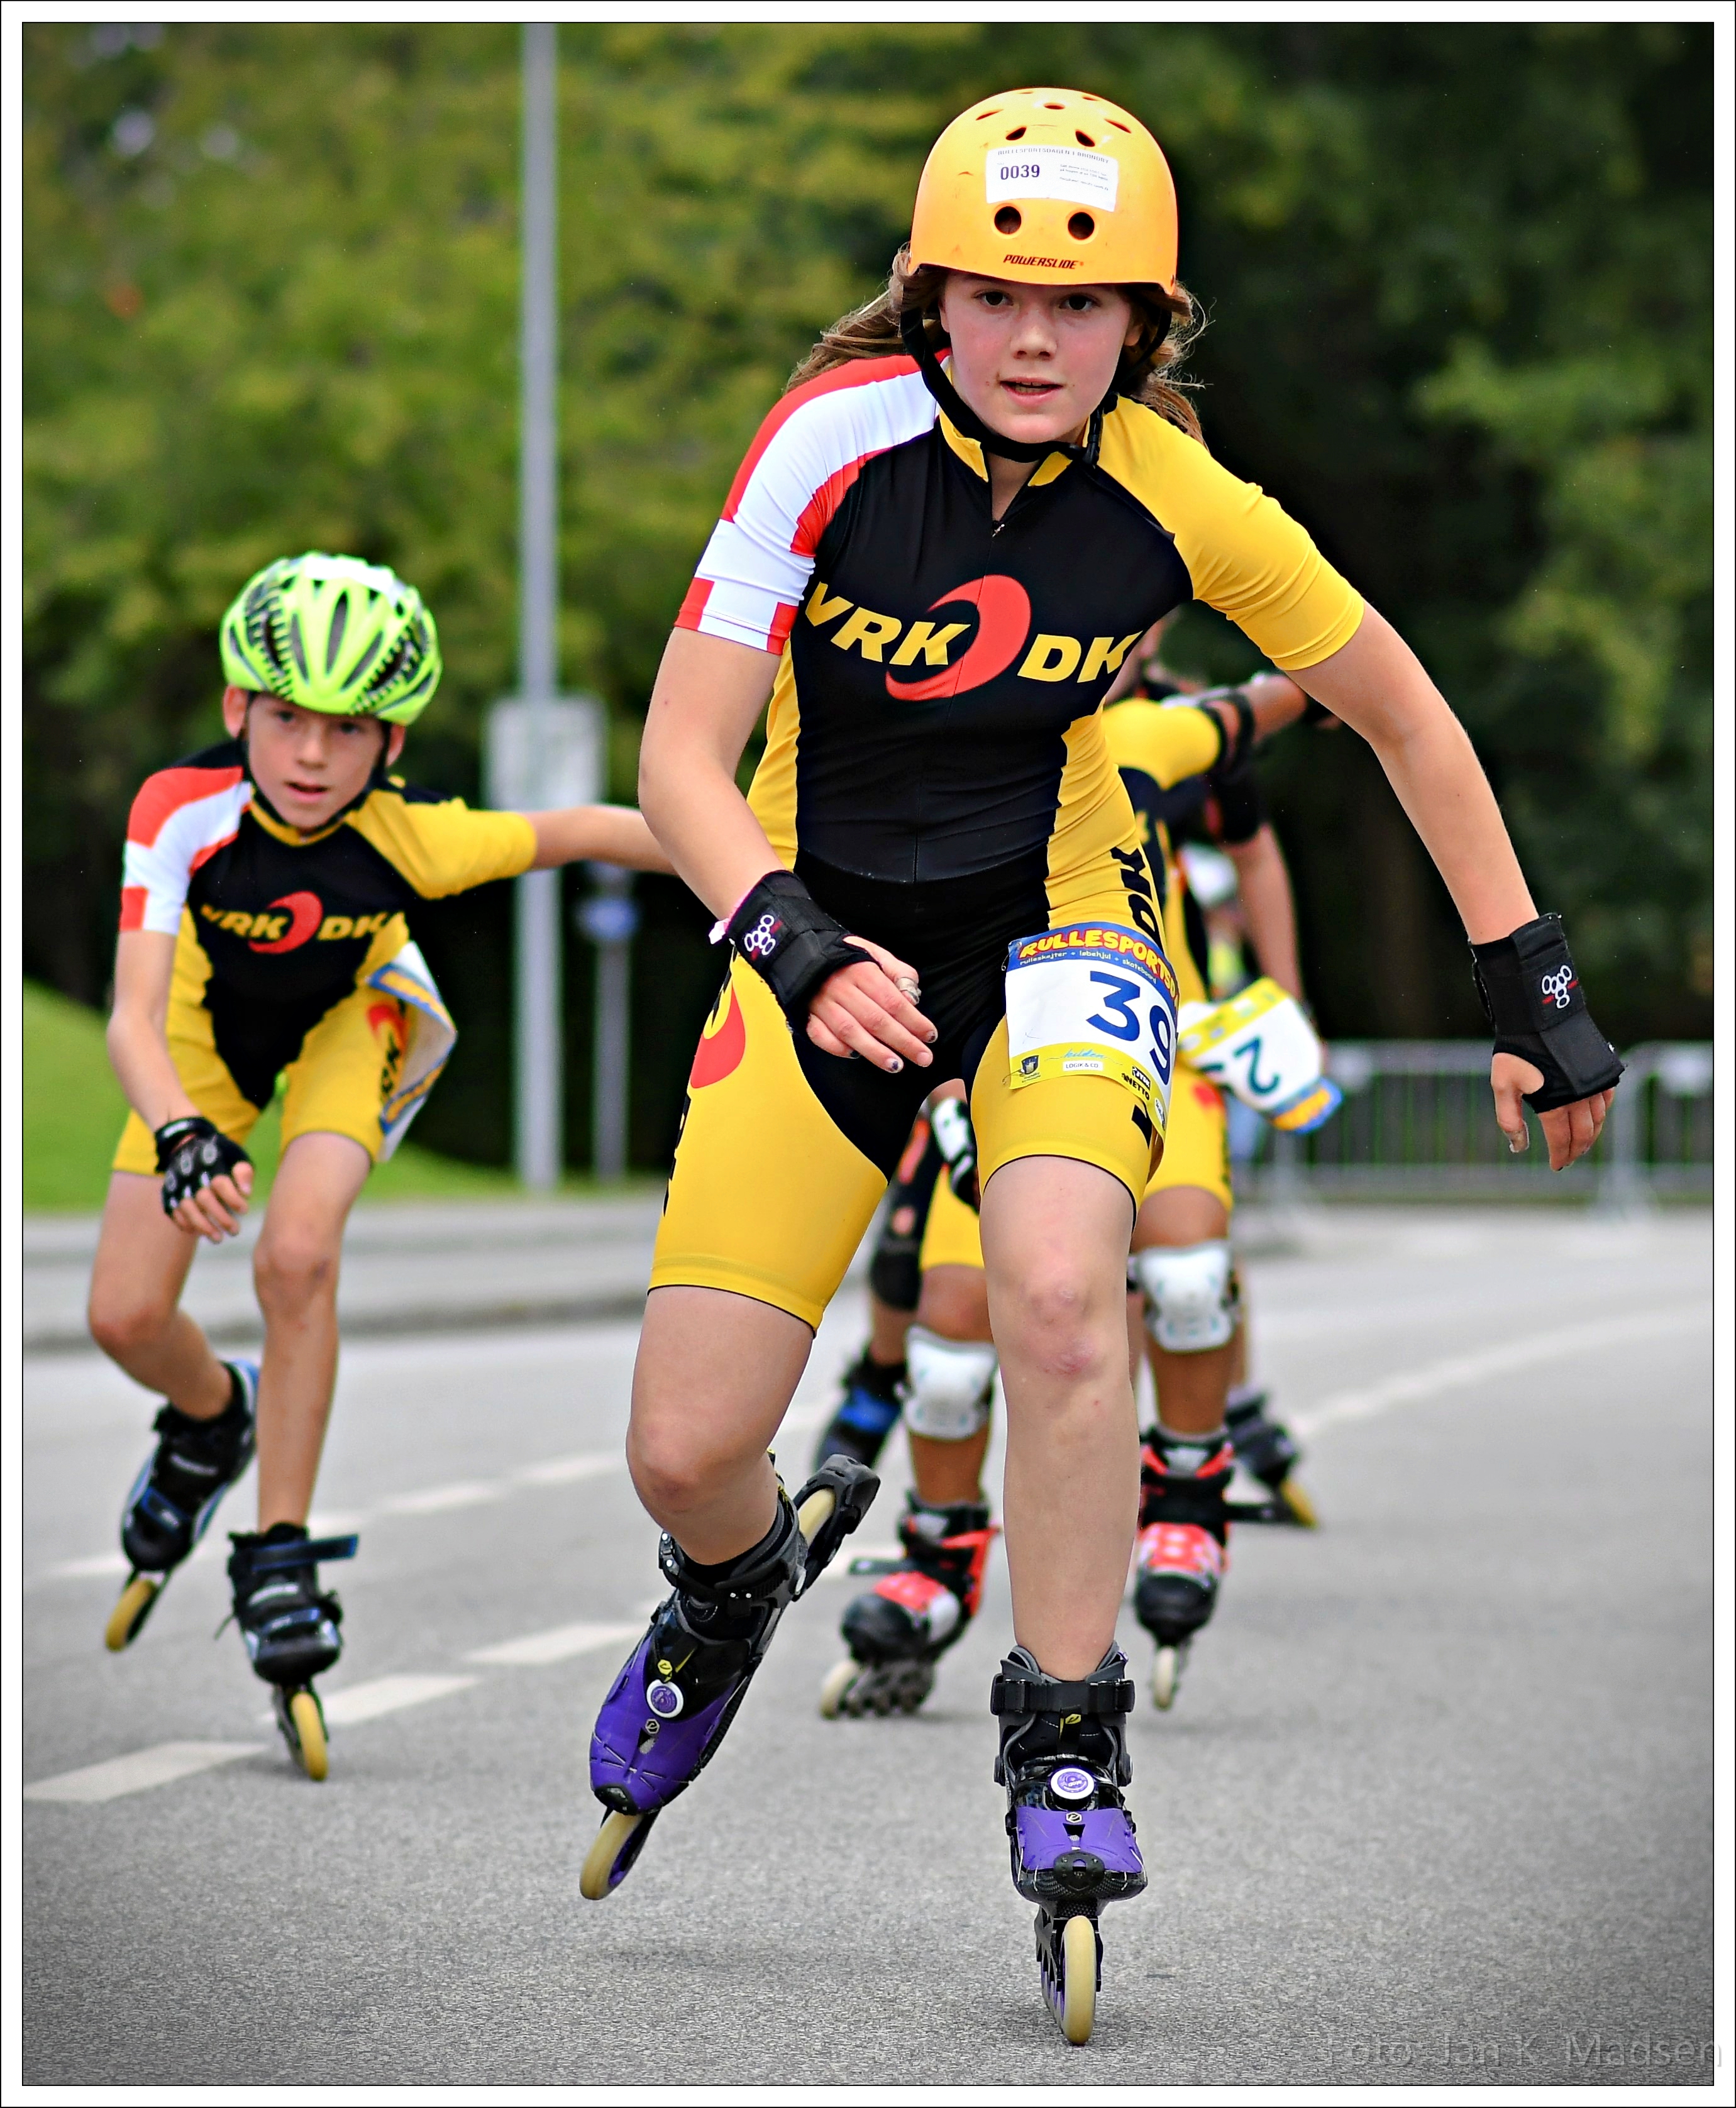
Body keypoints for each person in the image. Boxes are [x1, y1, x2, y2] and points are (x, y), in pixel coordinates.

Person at [579, 87, 1619, 2045]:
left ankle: (1064, 1732)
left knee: (1061, 1294)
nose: (1036, 339)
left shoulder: (1181, 493)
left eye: (1084, 305)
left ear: (1146, 324)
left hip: (1059, 920)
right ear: (930, 300)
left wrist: (1529, 985)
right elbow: (676, 761)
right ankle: (729, 1590)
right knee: (686, 1449)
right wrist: (790, 941)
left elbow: (1401, 713)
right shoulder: (827, 442)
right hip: (812, 924)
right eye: (994, 297)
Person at [91, 551, 672, 1779]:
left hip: (351, 1021)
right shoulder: (179, 809)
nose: (312, 754)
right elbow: (131, 1015)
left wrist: (778, 865)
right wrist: (183, 1130)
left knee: (298, 1254)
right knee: (124, 1315)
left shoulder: (413, 838)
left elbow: (586, 829)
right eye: (286, 717)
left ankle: (280, 1551)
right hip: (196, 1031)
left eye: (348, 728)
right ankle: (215, 1416)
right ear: (236, 708)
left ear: (392, 742)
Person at [812, 675, 1312, 1722]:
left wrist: (1332, 669)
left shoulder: (1143, 734)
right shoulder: (922, 753)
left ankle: (1186, 1489)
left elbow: (1283, 704)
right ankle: (940, 1549)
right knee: (947, 1346)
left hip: (1140, 1053)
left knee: (1185, 1271)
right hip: (992, 1072)